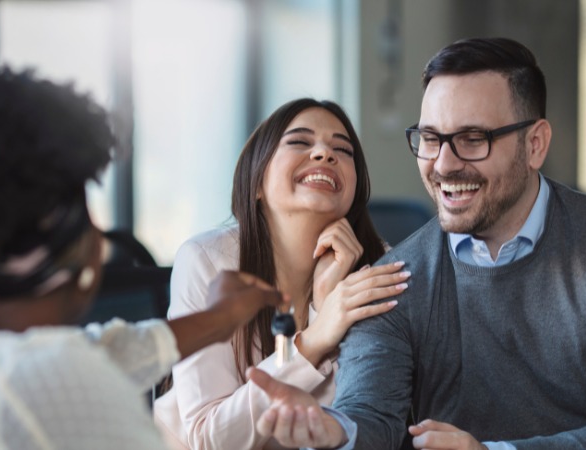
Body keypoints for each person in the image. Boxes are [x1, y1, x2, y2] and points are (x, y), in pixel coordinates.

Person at [248, 37, 586, 449]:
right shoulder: (395, 279)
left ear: (534, 145)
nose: (443, 164)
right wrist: (332, 430)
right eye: (430, 139)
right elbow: (371, 416)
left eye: (472, 139)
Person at [0, 67, 286, 449]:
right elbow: (72, 373)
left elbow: (98, 354)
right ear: (75, 240)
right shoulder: (73, 395)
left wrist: (218, 320)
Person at [153, 98, 410, 449]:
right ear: (256, 182)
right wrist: (316, 337)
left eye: (342, 149)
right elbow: (210, 438)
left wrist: (324, 301)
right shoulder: (206, 260)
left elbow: (362, 423)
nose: (324, 153)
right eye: (300, 142)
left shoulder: (380, 267)